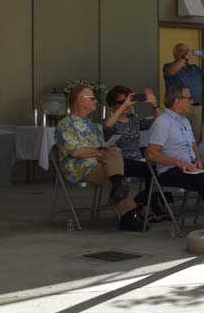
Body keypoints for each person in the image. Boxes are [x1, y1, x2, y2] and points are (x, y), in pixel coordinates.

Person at [58, 86, 142, 230]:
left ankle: (123, 199)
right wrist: (100, 152)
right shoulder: (66, 124)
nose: (96, 101)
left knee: (114, 151)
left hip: (99, 163)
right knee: (111, 173)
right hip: (80, 167)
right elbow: (76, 153)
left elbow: (104, 149)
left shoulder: (91, 125)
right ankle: (131, 213)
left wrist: (105, 150)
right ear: (79, 101)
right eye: (92, 98)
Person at [146, 86, 204, 212]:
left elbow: (193, 144)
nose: (191, 102)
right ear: (177, 101)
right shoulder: (163, 122)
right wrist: (178, 163)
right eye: (189, 98)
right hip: (170, 170)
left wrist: (198, 159)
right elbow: (151, 154)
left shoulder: (184, 120)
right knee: (203, 179)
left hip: (189, 167)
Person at [103, 85, 161, 188]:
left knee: (160, 167)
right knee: (151, 170)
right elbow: (107, 126)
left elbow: (160, 123)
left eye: (128, 101)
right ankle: (148, 199)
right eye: (121, 102)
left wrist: (154, 105)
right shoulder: (111, 122)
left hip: (138, 159)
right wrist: (123, 106)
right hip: (120, 163)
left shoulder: (134, 119)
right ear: (112, 104)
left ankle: (149, 199)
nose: (126, 105)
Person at [162, 43, 204, 138]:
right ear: (174, 53)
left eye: (186, 51)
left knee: (194, 137)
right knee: (177, 136)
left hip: (196, 108)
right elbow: (171, 72)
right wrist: (185, 58)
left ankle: (193, 153)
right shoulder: (168, 66)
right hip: (178, 107)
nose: (184, 53)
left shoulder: (195, 68)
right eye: (181, 51)